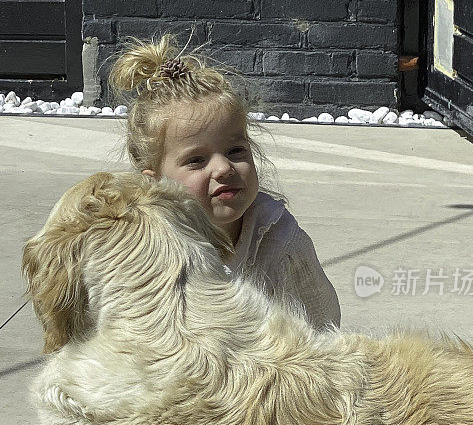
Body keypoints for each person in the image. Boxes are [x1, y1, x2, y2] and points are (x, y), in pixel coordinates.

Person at [108, 35, 341, 331]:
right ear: (155, 184)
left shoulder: (280, 241)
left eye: (235, 151)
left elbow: (323, 325)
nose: (223, 168)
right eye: (197, 160)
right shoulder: (147, 250)